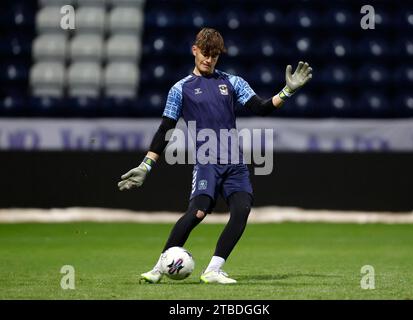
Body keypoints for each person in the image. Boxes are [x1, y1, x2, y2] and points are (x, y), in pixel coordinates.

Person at [118, 28, 312, 284]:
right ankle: (158, 267)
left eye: (214, 56)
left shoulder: (232, 82)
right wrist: (146, 165)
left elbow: (261, 108)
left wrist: (286, 91)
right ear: (194, 50)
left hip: (235, 164)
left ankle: (213, 270)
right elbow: (166, 128)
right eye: (205, 54)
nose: (209, 60)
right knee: (198, 212)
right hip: (207, 163)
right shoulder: (180, 89)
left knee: (242, 210)